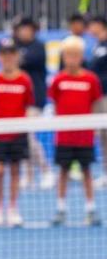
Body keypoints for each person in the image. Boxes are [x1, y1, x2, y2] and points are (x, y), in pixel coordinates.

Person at [48, 36, 102, 226]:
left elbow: (95, 104)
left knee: (87, 172)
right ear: (63, 56)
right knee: (63, 172)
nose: (71, 59)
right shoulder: (58, 80)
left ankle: (91, 208)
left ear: (81, 56)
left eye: (75, 55)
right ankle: (61, 209)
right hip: (64, 137)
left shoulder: (91, 79)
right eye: (68, 55)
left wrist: (91, 127)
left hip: (84, 138)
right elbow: (55, 103)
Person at [0, 38, 34, 227]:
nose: (8, 58)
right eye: (4, 54)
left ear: (16, 56)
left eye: (11, 54)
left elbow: (27, 104)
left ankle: (13, 209)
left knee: (15, 171)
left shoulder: (25, 80)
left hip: (18, 133)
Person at [13, 15, 53, 189]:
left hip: (35, 99)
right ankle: (28, 175)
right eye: (21, 28)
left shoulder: (38, 47)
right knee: (22, 137)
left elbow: (22, 61)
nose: (24, 31)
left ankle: (46, 170)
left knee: (28, 137)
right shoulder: (16, 46)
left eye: (27, 28)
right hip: (17, 99)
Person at [87, 15, 107, 187]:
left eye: (92, 23)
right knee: (103, 137)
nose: (89, 27)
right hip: (99, 98)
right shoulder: (97, 45)